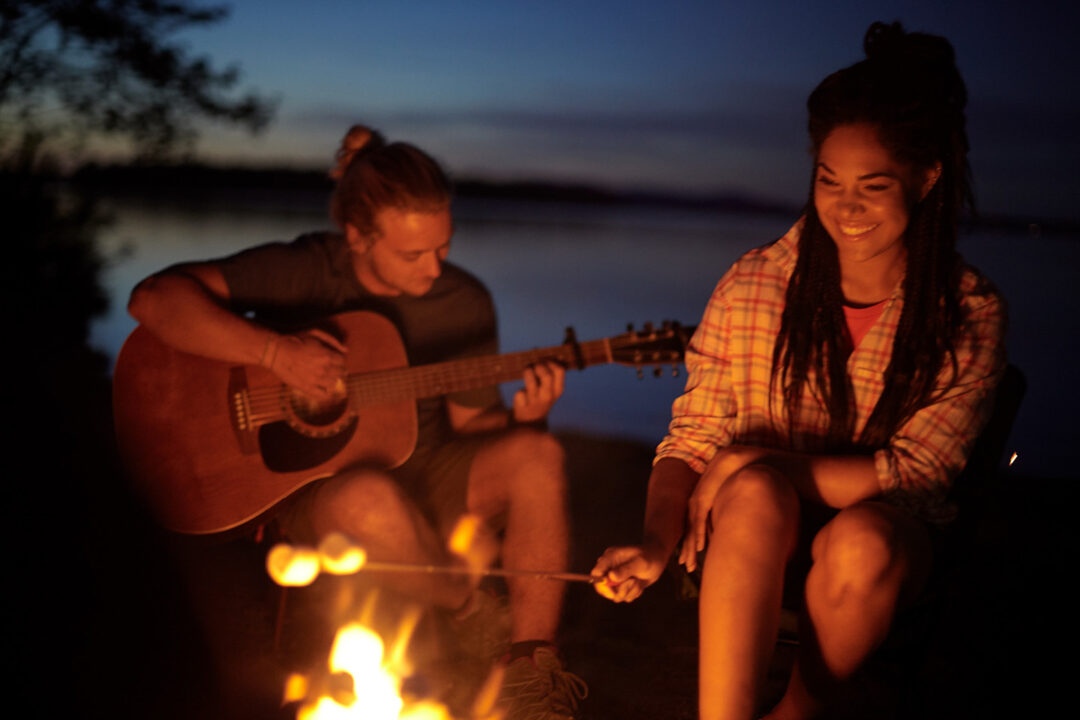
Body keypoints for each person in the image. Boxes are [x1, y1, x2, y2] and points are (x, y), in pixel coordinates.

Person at [591, 21, 1005, 720]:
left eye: (873, 186)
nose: (846, 207)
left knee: (858, 538)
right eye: (828, 179)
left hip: (887, 545)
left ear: (926, 177)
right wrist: (657, 541)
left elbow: (916, 472)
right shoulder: (754, 283)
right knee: (751, 494)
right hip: (754, 533)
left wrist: (763, 459)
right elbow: (691, 441)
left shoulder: (967, 311)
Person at [128, 125, 587, 719]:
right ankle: (469, 611)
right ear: (358, 237)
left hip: (429, 471)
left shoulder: (461, 300)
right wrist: (274, 353)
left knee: (537, 456)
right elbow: (154, 300)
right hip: (320, 487)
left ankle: (530, 668)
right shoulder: (305, 270)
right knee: (369, 496)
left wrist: (529, 421)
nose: (434, 268)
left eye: (443, 248)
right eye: (413, 254)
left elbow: (475, 430)